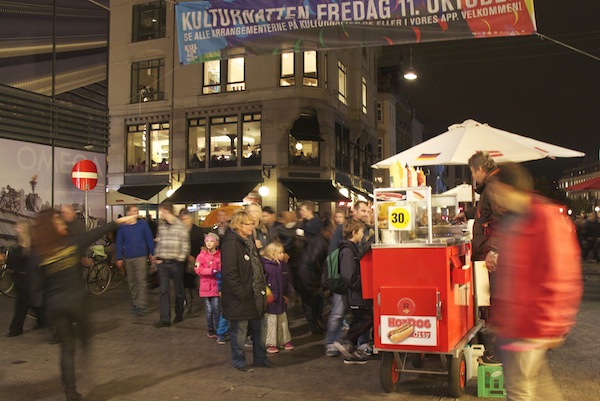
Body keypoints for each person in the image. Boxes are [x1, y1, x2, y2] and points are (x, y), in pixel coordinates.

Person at [488, 163, 583, 401]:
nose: (494, 197)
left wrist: (551, 325)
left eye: (496, 190)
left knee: (519, 390)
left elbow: (562, 276)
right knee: (539, 387)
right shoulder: (510, 221)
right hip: (514, 324)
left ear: (510, 189)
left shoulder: (545, 219)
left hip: (531, 327)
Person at [31, 209, 136, 401]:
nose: (63, 224)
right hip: (77, 303)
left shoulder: (40, 253)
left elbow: (36, 286)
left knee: (67, 349)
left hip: (55, 306)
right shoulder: (71, 243)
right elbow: (95, 234)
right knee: (83, 341)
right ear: (52, 226)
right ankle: (84, 367)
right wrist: (119, 222)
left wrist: (43, 309)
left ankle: (70, 391)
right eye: (59, 222)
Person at [453, 151, 501, 365]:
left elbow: (501, 220)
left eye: (473, 173)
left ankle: (494, 352)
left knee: (491, 301)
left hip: (489, 254)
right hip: (486, 252)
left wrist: (495, 251)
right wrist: (468, 213)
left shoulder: (494, 187)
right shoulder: (491, 187)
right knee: (487, 300)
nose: (473, 177)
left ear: (480, 169)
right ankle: (492, 348)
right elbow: (486, 213)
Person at [220, 210, 274, 372]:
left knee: (260, 330)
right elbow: (230, 273)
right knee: (239, 331)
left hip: (256, 294)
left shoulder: (249, 241)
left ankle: (261, 358)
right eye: (248, 224)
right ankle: (239, 361)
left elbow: (255, 265)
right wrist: (241, 293)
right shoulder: (231, 244)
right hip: (241, 298)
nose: (252, 226)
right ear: (238, 225)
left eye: (252, 223)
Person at [325, 201, 373, 357]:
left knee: (359, 314)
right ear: (355, 212)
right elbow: (336, 254)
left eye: (368, 211)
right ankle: (333, 342)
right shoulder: (344, 230)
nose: (366, 213)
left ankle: (359, 343)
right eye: (363, 210)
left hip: (355, 282)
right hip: (346, 281)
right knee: (339, 312)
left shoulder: (369, 230)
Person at [333, 219, 372, 365]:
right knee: (367, 318)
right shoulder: (347, 251)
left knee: (358, 320)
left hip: (357, 293)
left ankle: (350, 350)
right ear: (354, 232)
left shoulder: (351, 248)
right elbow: (349, 276)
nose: (362, 235)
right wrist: (364, 282)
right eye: (361, 232)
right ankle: (347, 341)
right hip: (356, 294)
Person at [152, 201, 190, 328]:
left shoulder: (180, 226)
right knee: (164, 290)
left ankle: (179, 313)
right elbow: (159, 241)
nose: (160, 214)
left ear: (166, 211)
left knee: (179, 290)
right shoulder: (161, 225)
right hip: (163, 263)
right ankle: (165, 319)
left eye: (161, 211)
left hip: (176, 263)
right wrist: (157, 256)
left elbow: (185, 244)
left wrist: (180, 259)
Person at [5, 221, 45, 337]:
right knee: (31, 303)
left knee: (21, 305)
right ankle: (42, 321)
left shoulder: (28, 247)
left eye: (18, 227)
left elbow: (19, 261)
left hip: (25, 280)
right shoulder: (25, 245)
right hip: (22, 279)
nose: (16, 228)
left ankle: (16, 329)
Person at [115, 205, 155, 315]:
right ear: (128, 213)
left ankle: (141, 305)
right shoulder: (123, 227)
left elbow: (149, 239)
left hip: (141, 256)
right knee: (132, 281)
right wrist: (119, 257)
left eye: (137, 211)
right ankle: (136, 303)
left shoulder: (142, 224)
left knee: (141, 280)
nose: (136, 212)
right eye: (133, 211)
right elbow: (119, 242)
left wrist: (152, 253)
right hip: (128, 257)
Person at [296, 201, 327, 335]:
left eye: (302, 209)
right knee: (309, 296)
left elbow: (319, 243)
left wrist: (304, 239)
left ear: (309, 210)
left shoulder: (316, 225)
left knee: (316, 295)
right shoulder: (303, 224)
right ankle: (312, 322)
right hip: (306, 264)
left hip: (315, 265)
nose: (300, 212)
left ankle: (316, 320)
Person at [262, 242, 294, 354]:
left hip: (281, 297)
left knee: (282, 321)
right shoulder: (266, 266)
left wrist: (287, 295)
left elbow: (287, 280)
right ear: (273, 253)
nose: (283, 254)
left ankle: (284, 340)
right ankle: (270, 342)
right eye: (280, 252)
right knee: (271, 321)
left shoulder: (282, 265)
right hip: (271, 299)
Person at [195, 233, 221, 339]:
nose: (209, 243)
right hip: (205, 287)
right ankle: (210, 329)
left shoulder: (220, 255)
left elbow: (221, 268)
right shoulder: (201, 256)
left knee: (216, 308)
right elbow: (198, 269)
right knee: (209, 309)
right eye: (207, 241)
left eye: (211, 241)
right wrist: (210, 271)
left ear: (216, 243)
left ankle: (219, 329)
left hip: (215, 286)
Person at [179, 209, 204, 314]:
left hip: (196, 260)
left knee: (196, 282)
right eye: (182, 219)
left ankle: (199, 301)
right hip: (183, 260)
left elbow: (202, 246)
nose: (184, 221)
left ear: (190, 219)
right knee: (186, 283)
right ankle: (189, 303)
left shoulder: (197, 230)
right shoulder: (180, 230)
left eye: (186, 219)